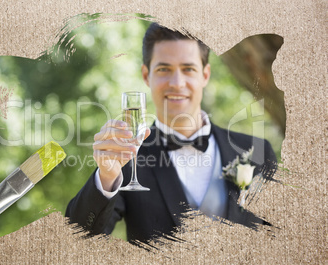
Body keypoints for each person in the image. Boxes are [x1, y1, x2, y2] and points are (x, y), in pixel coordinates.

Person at [66, 23, 277, 243]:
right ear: (146, 75)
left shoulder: (257, 152)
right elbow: (76, 240)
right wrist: (106, 177)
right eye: (164, 69)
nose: (177, 83)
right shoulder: (128, 157)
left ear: (205, 75)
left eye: (188, 69)